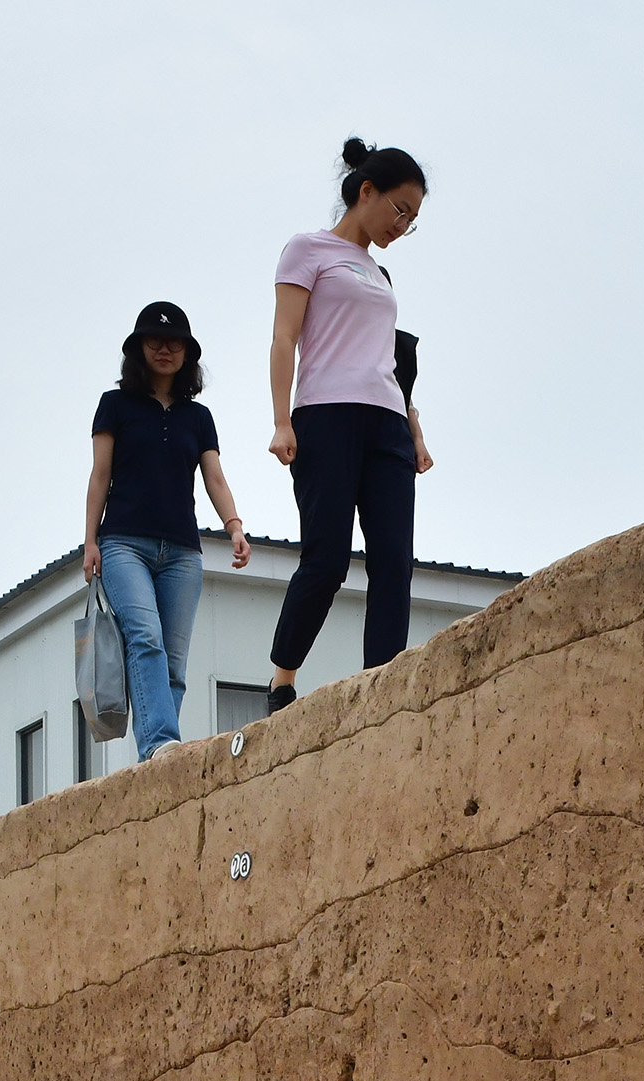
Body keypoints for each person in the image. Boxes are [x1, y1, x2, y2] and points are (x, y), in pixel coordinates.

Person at [262, 138, 433, 713]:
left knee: (393, 559)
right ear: (367, 192)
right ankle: (283, 677)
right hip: (325, 417)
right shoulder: (307, 250)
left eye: (413, 220)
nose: (403, 226)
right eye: (399, 210)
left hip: (386, 422)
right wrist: (281, 420)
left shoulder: (382, 275)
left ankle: (382, 687)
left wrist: (413, 430)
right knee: (328, 558)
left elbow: (389, 360)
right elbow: (285, 336)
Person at [85, 302, 251, 759]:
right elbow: (100, 475)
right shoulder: (114, 405)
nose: (164, 349)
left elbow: (214, 477)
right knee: (145, 638)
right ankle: (159, 743)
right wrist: (90, 541)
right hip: (123, 544)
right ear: (139, 348)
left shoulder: (197, 417)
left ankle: (160, 755)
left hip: (182, 550)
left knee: (175, 663)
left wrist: (234, 526)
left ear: (187, 353)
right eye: (155, 340)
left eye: (175, 341)